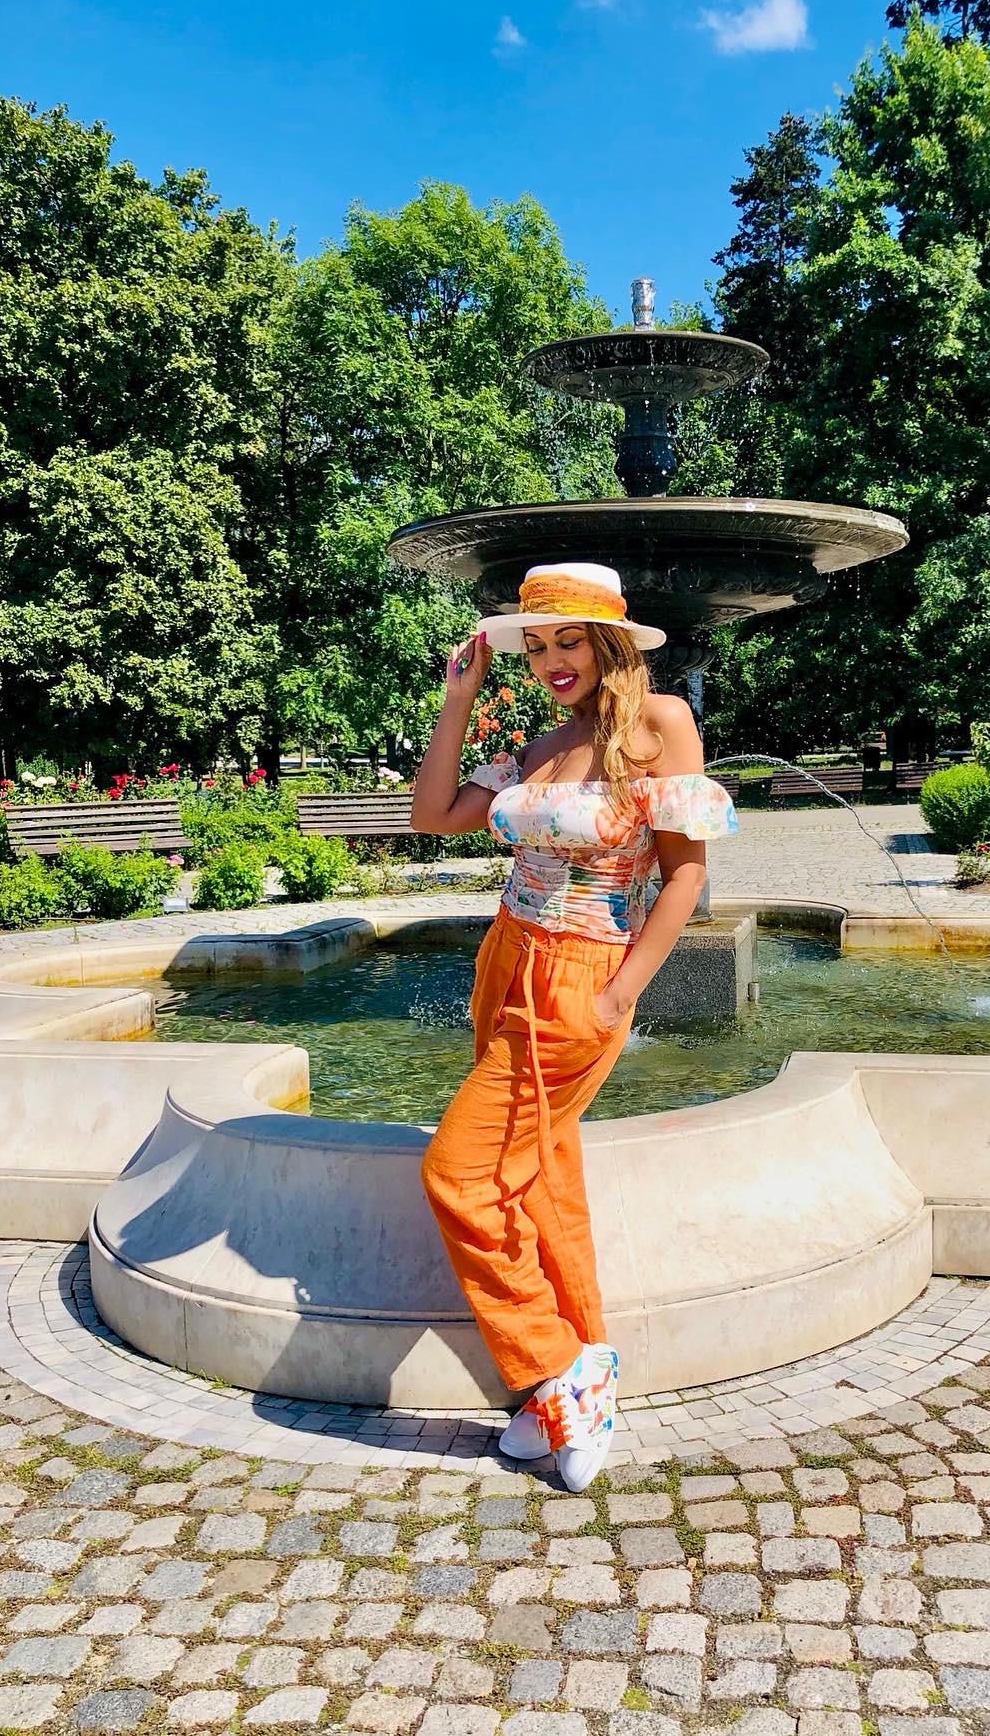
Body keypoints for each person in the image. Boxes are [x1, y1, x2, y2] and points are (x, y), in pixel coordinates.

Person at [410, 560, 738, 1490]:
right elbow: (432, 815)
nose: (552, 660)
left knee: (458, 1175)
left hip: (583, 970)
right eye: (538, 646)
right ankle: (570, 1378)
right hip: (505, 958)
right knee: (541, 1173)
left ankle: (558, 1370)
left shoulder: (659, 723)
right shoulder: (542, 743)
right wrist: (459, 699)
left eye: (570, 642)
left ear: (609, 644)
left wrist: (621, 994)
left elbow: (685, 875)